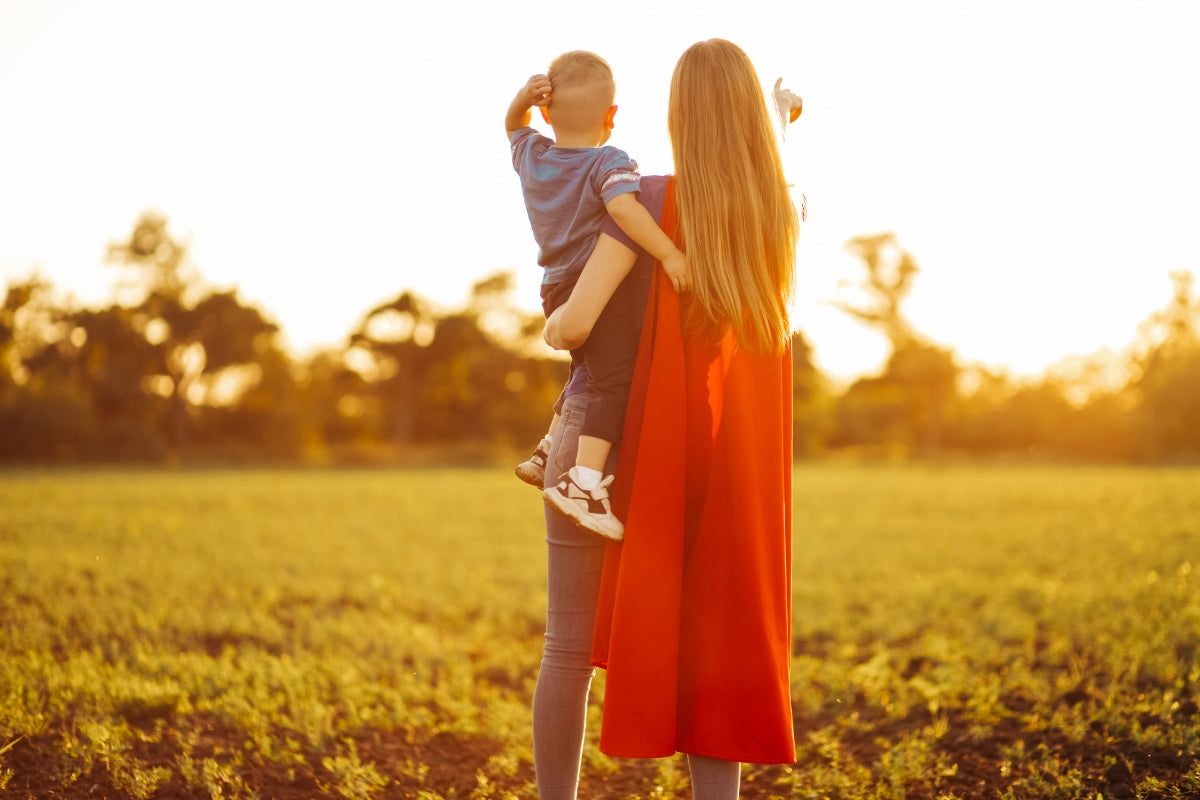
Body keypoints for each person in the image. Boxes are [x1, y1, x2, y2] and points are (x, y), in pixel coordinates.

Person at [532, 39, 801, 800]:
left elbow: (577, 324)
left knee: (568, 649)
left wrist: (555, 327)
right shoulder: (780, 216)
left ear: (677, 118)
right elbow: (763, 180)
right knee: (716, 654)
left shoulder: (643, 200)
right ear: (751, 117)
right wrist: (779, 125)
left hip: (607, 453)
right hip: (715, 464)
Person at [506, 50, 689, 541]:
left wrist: (521, 100)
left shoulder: (533, 156)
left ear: (545, 112)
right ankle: (583, 483)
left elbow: (512, 125)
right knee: (614, 379)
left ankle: (548, 448)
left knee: (585, 368)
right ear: (612, 116)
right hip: (595, 285)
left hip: (555, 286)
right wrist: (671, 256)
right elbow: (626, 213)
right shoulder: (609, 161)